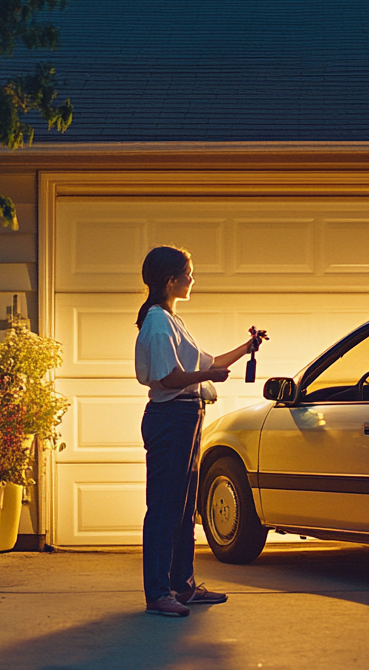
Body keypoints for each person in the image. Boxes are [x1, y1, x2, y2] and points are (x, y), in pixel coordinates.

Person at [134, 245, 267, 617]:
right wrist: (208, 376)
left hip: (187, 417)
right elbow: (168, 378)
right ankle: (159, 593)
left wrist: (246, 348)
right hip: (171, 418)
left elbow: (209, 362)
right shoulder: (158, 322)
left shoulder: (172, 320)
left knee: (183, 506)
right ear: (170, 280)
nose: (192, 279)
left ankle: (183, 586)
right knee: (164, 508)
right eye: (188, 273)